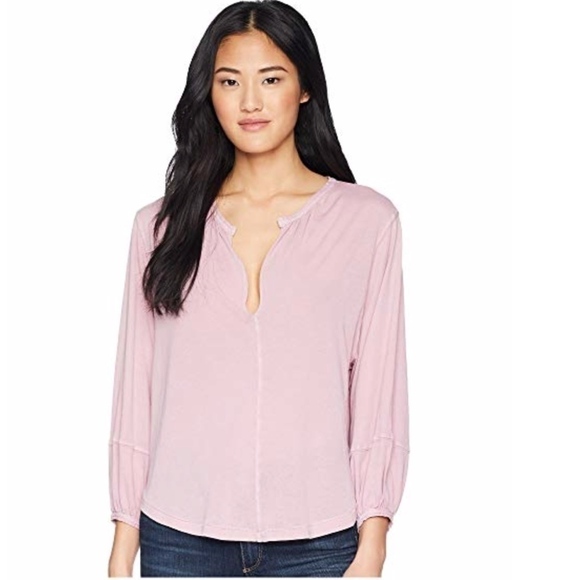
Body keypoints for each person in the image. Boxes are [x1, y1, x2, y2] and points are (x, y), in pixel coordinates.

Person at [107, 0, 410, 577]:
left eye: (271, 79)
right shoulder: (160, 227)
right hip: (179, 539)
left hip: (320, 543)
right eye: (230, 81)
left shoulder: (368, 222)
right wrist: (124, 543)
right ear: (209, 92)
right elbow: (136, 392)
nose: (250, 101)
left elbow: (377, 392)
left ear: (304, 88)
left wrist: (373, 541)